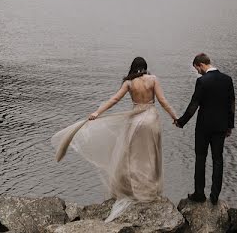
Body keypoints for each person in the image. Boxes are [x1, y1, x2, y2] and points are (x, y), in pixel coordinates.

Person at [52, 57, 179, 221]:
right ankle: (149, 190)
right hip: (150, 119)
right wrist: (175, 117)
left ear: (133, 68)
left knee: (133, 157)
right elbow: (162, 101)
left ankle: (132, 190)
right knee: (151, 155)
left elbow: (114, 99)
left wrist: (98, 112)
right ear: (145, 67)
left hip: (135, 121)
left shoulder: (129, 83)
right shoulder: (153, 79)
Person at [175, 52, 236, 205]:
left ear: (200, 65)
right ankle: (215, 196)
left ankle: (199, 194)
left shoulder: (202, 81)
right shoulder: (227, 80)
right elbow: (232, 105)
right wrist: (230, 125)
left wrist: (181, 122)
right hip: (221, 126)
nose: (197, 72)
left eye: (197, 69)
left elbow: (193, 105)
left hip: (203, 127)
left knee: (200, 158)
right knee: (218, 159)